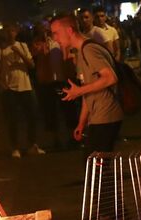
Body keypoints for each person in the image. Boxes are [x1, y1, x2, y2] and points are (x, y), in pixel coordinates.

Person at [50, 13, 123, 161]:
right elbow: (88, 89)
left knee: (94, 166)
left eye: (56, 33)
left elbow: (110, 77)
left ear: (69, 31)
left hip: (107, 115)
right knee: (94, 166)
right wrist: (81, 123)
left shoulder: (89, 49)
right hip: (97, 117)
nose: (55, 38)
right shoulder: (81, 52)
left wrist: (78, 91)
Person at [0, 24, 45, 158]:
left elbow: (31, 65)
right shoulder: (1, 49)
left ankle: (32, 144)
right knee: (13, 118)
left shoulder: (22, 45)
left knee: (32, 116)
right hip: (10, 88)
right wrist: (1, 83)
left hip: (25, 86)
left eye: (13, 31)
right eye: (8, 31)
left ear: (16, 32)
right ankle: (15, 147)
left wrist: (19, 53)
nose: (11, 33)